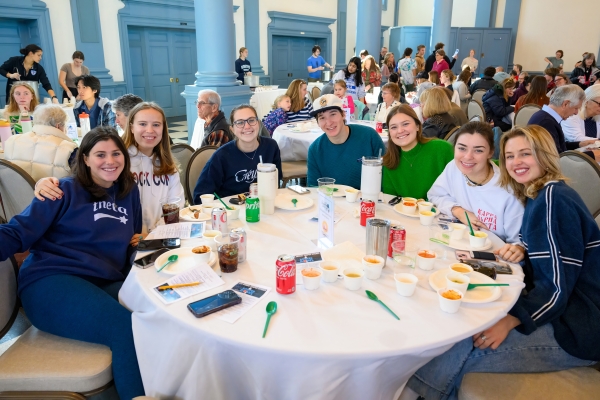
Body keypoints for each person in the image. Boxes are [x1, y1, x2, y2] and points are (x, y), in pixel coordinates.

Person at [404, 125, 600, 400]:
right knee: (460, 332)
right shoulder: (538, 194)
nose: (516, 163)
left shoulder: (554, 201)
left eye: (525, 154)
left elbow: (556, 289)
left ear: (544, 155)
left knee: (464, 352)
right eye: (510, 156)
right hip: (557, 310)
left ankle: (415, 393)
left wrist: (511, 320)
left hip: (578, 328)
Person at [0, 127, 145, 399]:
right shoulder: (63, 190)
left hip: (103, 281)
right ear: (86, 159)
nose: (110, 161)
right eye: (100, 154)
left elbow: (130, 245)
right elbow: (18, 232)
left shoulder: (129, 193)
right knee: (123, 327)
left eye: (116, 153)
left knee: (155, 314)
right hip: (51, 282)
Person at [35, 102, 185, 236]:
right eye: (143, 124)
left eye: (156, 125)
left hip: (160, 237)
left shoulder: (168, 167)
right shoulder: (115, 162)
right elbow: (82, 183)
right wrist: (43, 183)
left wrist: (156, 235)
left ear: (164, 128)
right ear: (131, 127)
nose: (150, 130)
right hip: (119, 239)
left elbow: (175, 206)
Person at [428, 121, 524, 247]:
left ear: (490, 153)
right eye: (462, 148)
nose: (468, 157)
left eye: (478, 151)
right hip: (458, 243)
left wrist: (517, 249)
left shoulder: (508, 190)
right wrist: (458, 211)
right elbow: (435, 196)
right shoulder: (454, 168)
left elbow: (517, 243)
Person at [193, 105, 282, 202]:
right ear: (232, 129)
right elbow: (200, 197)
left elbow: (276, 181)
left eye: (251, 120)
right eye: (240, 123)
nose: (247, 126)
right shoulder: (221, 156)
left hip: (264, 206)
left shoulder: (271, 147)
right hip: (231, 211)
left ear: (259, 123)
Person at [307, 95, 385, 189]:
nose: (328, 122)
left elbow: (386, 176)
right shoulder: (315, 150)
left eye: (333, 114)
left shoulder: (369, 136)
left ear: (343, 114)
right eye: (322, 118)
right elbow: (313, 189)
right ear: (318, 123)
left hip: (368, 200)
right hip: (333, 201)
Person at [382, 104, 453, 199]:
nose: (400, 130)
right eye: (393, 127)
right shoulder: (389, 161)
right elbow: (390, 200)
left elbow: (461, 188)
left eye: (405, 124)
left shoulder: (442, 149)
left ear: (417, 126)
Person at [3, 104, 78, 181]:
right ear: (58, 126)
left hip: (15, 192)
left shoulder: (12, 141)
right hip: (55, 192)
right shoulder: (69, 149)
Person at [528, 85, 600, 161]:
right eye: (576, 108)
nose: (576, 113)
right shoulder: (546, 122)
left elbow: (557, 146)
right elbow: (557, 158)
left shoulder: (546, 117)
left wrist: (579, 144)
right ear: (565, 104)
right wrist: (592, 155)